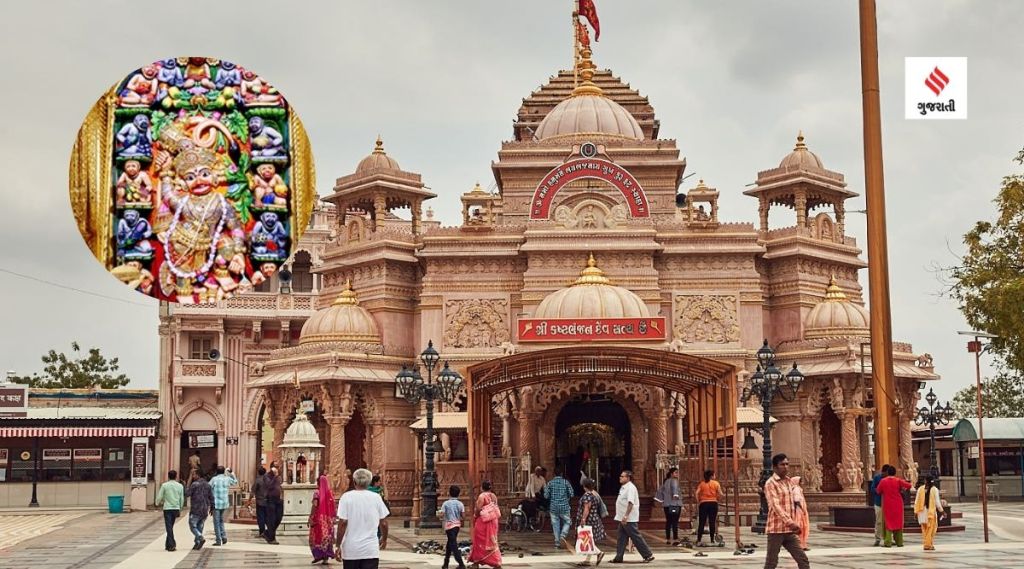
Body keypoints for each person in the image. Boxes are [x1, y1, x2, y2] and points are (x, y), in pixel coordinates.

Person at [335, 467, 389, 568]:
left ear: (354, 482)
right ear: (369, 483)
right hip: (370, 550)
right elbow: (384, 523)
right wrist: (384, 539)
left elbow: (342, 523)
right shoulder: (376, 497)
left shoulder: (346, 497)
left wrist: (338, 545)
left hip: (351, 550)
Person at [762, 454, 809, 569]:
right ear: (775, 467)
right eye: (782, 464)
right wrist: (790, 522)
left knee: (803, 559)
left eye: (787, 464)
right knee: (771, 563)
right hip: (776, 530)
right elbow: (775, 505)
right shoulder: (770, 483)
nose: (786, 467)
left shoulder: (789, 482)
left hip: (789, 531)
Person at [610, 470, 654, 564]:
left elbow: (630, 503)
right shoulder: (623, 488)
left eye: (622, 476)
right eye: (620, 476)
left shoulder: (630, 488)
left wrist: (626, 516)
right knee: (621, 537)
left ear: (628, 478)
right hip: (622, 517)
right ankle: (619, 557)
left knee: (635, 536)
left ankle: (648, 554)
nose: (620, 477)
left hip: (628, 518)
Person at [468, 480, 502, 569]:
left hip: (483, 522)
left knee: (479, 541)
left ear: (482, 487)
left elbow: (478, 509)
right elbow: (495, 507)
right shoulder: (494, 496)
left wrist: (475, 516)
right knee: (493, 541)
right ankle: (496, 562)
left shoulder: (482, 496)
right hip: (493, 521)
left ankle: (476, 562)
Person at [876, 464, 912, 547]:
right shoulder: (898, 480)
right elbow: (909, 485)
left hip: (887, 504)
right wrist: (902, 489)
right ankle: (899, 542)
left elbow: (878, 491)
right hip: (898, 504)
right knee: (898, 522)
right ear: (895, 473)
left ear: (888, 472)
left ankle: (888, 542)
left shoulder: (883, 481)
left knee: (889, 522)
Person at [575, 477, 607, 567]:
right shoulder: (594, 494)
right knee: (589, 539)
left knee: (587, 539)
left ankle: (599, 553)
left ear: (584, 486)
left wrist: (583, 519)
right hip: (594, 519)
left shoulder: (587, 496)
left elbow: (586, 508)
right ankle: (587, 560)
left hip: (589, 520)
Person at [544, 464, 575, 552]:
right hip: (564, 506)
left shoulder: (550, 483)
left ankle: (557, 543)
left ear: (554, 474)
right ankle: (563, 535)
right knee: (568, 521)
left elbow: (546, 496)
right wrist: (567, 497)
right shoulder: (566, 482)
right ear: (561, 474)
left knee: (555, 525)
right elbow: (572, 494)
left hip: (553, 507)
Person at [309, 473, 336, 564]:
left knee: (316, 537)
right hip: (328, 520)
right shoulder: (330, 493)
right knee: (326, 537)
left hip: (318, 518)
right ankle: (324, 558)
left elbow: (315, 505)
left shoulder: (317, 493)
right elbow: (333, 506)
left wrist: (310, 516)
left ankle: (318, 555)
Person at [155, 469, 184, 551]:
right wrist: (180, 507)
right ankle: (168, 544)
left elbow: (160, 496)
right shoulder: (180, 486)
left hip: (167, 508)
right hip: (176, 508)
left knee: (169, 527)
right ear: (176, 476)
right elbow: (182, 498)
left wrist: (156, 503)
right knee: (170, 526)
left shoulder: (164, 485)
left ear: (168, 476)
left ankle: (171, 545)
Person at [186, 469, 214, 550]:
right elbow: (211, 497)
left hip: (196, 508)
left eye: (194, 475)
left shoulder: (195, 484)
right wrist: (212, 508)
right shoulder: (207, 485)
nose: (193, 476)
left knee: (192, 525)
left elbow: (187, 493)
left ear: (198, 475)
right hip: (204, 508)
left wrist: (189, 481)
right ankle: (197, 542)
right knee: (200, 526)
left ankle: (200, 537)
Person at [210, 466, 237, 546]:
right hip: (224, 503)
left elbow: (208, 487)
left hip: (216, 503)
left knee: (216, 522)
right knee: (221, 520)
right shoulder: (227, 479)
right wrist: (232, 473)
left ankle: (218, 540)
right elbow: (235, 482)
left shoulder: (214, 479)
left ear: (216, 471)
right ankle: (224, 536)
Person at [914, 475, 943, 551]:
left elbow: (916, 501)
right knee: (931, 529)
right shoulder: (934, 489)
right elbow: (937, 502)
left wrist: (915, 512)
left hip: (921, 512)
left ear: (925, 481)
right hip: (930, 512)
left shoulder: (920, 489)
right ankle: (928, 545)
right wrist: (942, 511)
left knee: (924, 530)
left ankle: (927, 543)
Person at [695, 469, 723, 547]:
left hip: (703, 504)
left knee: (702, 522)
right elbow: (721, 494)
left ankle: (699, 539)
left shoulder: (702, 484)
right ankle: (712, 539)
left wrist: (699, 501)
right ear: (712, 476)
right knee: (712, 522)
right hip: (713, 503)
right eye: (714, 474)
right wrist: (717, 499)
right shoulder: (716, 483)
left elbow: (696, 493)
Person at [655, 467, 682, 546]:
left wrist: (662, 500)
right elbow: (675, 488)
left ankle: (668, 539)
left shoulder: (665, 481)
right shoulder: (674, 481)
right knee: (675, 522)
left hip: (666, 505)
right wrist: (675, 495)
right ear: (671, 474)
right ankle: (676, 539)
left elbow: (659, 491)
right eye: (676, 473)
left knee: (668, 522)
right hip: (674, 504)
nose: (677, 474)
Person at [442, 485, 467, 569]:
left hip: (449, 526)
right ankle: (446, 563)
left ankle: (461, 563)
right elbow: (463, 516)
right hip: (457, 526)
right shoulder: (460, 504)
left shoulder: (446, 503)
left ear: (449, 493)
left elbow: (442, 514)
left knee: (453, 544)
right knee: (450, 543)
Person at [868, 464, 890, 546]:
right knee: (879, 521)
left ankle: (888, 538)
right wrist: (879, 490)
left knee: (888, 522)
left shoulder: (890, 478)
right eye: (886, 473)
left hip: (888, 503)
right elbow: (872, 489)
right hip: (879, 503)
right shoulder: (877, 478)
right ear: (883, 472)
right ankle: (877, 538)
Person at [264, 466, 284, 544]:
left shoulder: (279, 477)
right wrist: (275, 477)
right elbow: (269, 486)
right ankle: (272, 538)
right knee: (271, 519)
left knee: (279, 517)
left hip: (279, 500)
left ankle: (268, 532)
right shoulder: (266, 477)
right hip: (270, 500)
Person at [791, 476, 810, 550]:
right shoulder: (796, 489)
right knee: (801, 526)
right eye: (800, 481)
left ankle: (802, 544)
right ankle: (799, 544)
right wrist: (802, 509)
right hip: (799, 510)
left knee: (802, 526)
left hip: (800, 509)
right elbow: (796, 500)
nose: (802, 483)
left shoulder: (797, 489)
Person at [251, 466, 268, 538]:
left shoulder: (258, 480)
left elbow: (253, 491)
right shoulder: (269, 480)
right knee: (267, 517)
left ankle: (262, 532)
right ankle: (269, 531)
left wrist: (249, 500)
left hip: (260, 502)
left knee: (261, 518)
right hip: (268, 501)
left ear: (258, 472)